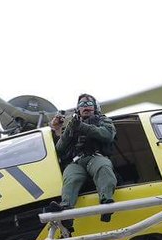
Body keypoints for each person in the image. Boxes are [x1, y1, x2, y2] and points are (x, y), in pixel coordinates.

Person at [48, 94, 117, 228]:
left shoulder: (103, 120)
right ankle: (66, 212)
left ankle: (106, 203)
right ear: (77, 109)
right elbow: (60, 147)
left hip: (95, 157)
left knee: (103, 168)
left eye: (89, 104)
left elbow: (107, 135)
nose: (85, 107)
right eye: (82, 105)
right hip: (77, 162)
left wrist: (82, 126)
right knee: (70, 178)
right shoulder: (73, 125)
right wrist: (61, 129)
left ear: (95, 107)